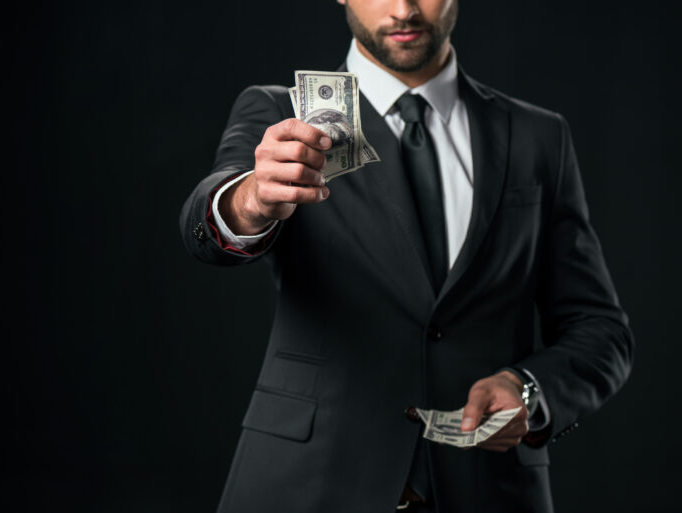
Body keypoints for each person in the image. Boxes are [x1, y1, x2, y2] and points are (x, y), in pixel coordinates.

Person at [179, 0, 634, 511]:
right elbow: (208, 221)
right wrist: (250, 200)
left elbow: (601, 330)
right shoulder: (280, 113)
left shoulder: (537, 136)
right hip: (310, 483)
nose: (404, 8)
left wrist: (530, 389)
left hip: (490, 489)